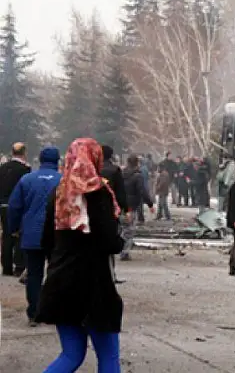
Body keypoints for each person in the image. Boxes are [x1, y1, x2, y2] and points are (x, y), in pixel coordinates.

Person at [36, 138, 124, 372]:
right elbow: (109, 241)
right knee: (108, 357)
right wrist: (119, 240)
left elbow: (46, 241)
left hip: (61, 283)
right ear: (96, 159)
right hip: (93, 286)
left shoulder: (58, 193)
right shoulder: (99, 193)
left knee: (71, 355)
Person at [6, 146, 62, 327]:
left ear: (39, 159)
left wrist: (13, 228)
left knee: (34, 274)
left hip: (32, 233)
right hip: (57, 235)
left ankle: (34, 312)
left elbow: (14, 207)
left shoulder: (27, 179)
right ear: (57, 160)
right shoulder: (64, 181)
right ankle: (54, 310)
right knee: (56, 273)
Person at [0, 142, 32, 277]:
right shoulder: (25, 169)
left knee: (6, 235)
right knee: (19, 234)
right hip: (18, 205)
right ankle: (19, 265)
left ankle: (6, 266)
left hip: (3, 205)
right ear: (24, 153)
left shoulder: (2, 168)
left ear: (12, 152)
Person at [100, 145, 128, 284]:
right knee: (110, 242)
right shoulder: (115, 170)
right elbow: (121, 193)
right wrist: (125, 209)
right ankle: (111, 275)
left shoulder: (92, 169)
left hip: (94, 211)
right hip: (112, 211)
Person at [121, 155, 154, 261]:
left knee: (122, 227)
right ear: (137, 163)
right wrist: (150, 204)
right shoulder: (137, 176)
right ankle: (124, 252)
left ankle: (119, 248)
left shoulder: (121, 173)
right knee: (129, 229)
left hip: (120, 204)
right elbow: (142, 191)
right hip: (131, 205)